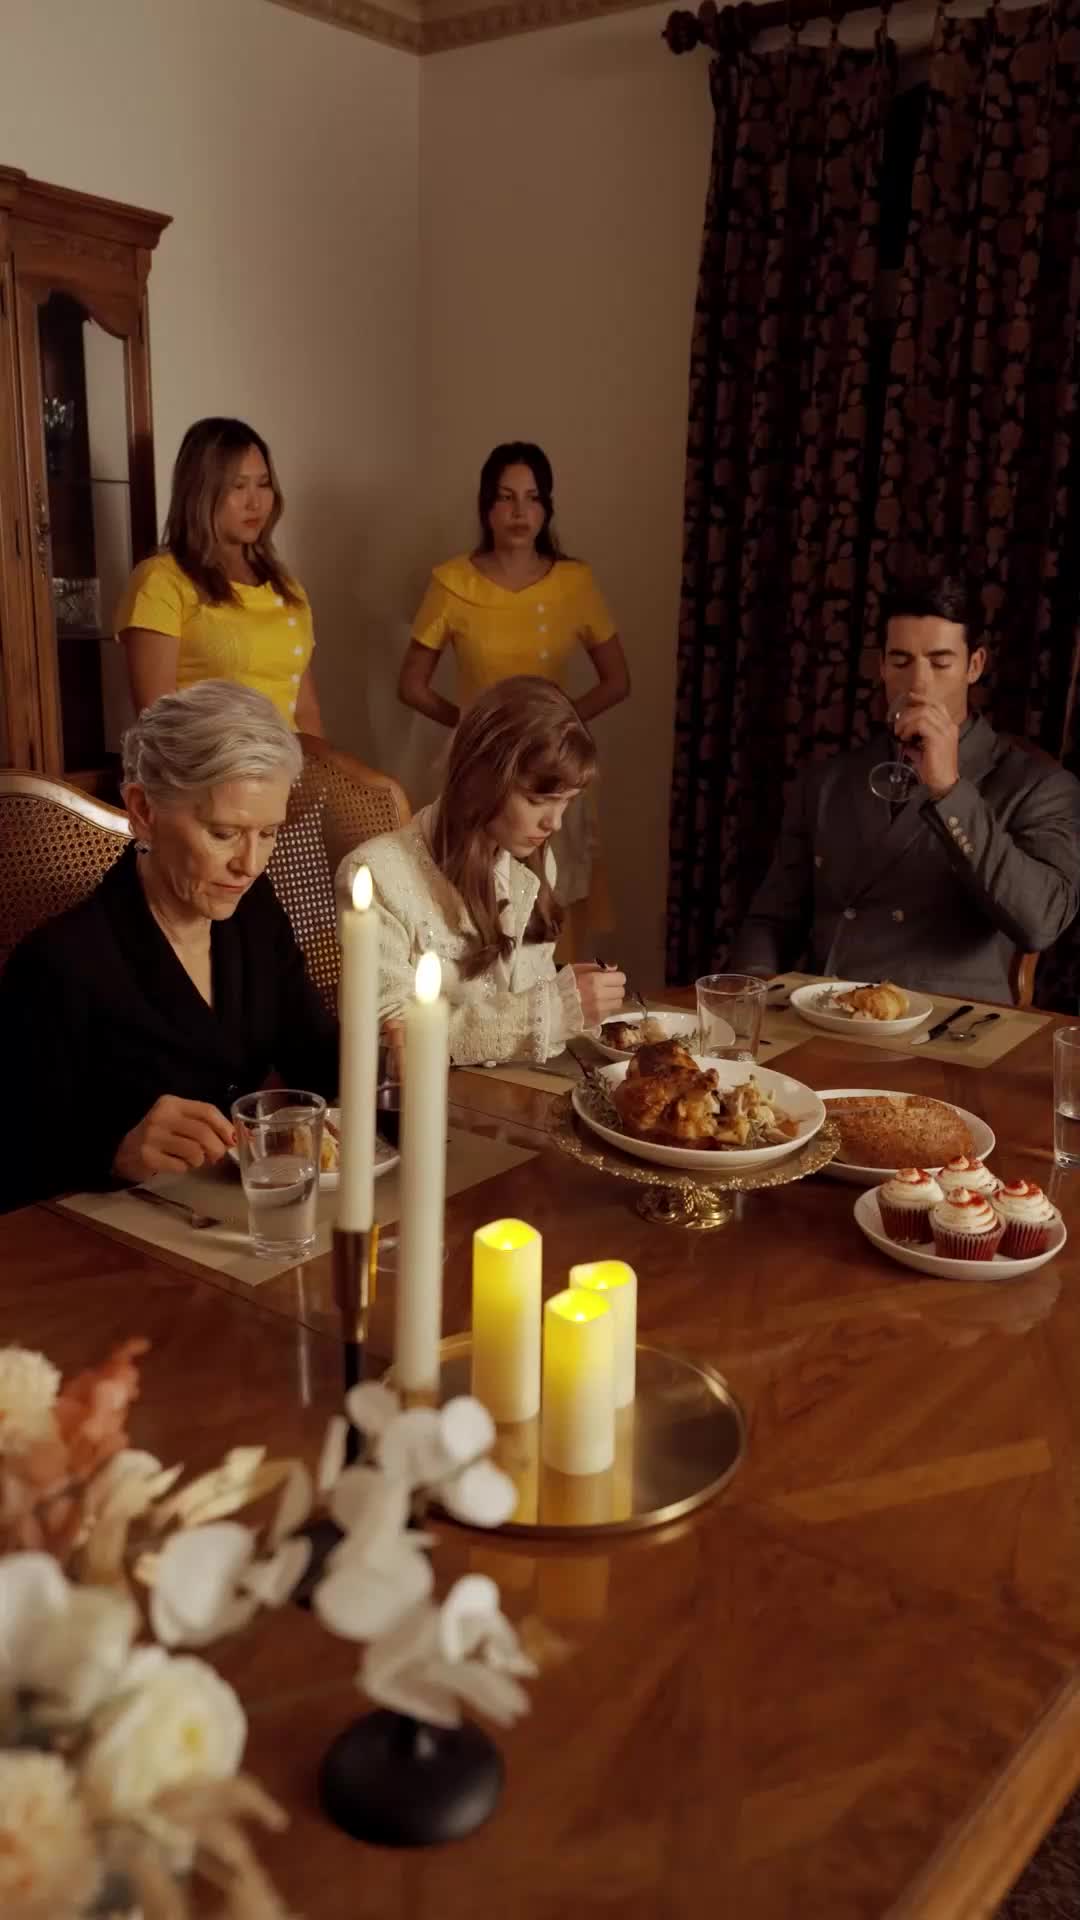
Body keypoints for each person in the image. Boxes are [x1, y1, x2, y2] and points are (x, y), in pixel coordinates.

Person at [0, 682, 337, 1213]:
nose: (250, 865)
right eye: (223, 833)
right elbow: (15, 1165)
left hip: (247, 1217)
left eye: (269, 833)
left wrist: (395, 1059)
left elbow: (318, 1058)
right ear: (143, 810)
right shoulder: (59, 966)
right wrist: (115, 1152)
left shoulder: (254, 911)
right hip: (113, 1241)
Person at [731, 573, 1080, 1002]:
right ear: (881, 666)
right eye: (900, 661)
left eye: (939, 662)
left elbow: (1040, 923)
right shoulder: (827, 782)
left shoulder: (1038, 785)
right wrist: (747, 998)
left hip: (953, 1027)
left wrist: (949, 790)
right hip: (828, 1014)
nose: (918, 684)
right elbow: (771, 921)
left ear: (974, 666)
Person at [398, 441, 630, 953]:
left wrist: (557, 725)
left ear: (547, 507)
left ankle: (558, 998)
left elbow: (617, 680)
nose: (520, 512)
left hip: (553, 769)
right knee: (470, 901)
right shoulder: (452, 581)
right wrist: (476, 727)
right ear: (487, 506)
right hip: (480, 766)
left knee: (553, 905)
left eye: (532, 497)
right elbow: (411, 684)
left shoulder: (574, 582)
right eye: (506, 497)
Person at [342, 676, 627, 1065]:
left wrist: (568, 993)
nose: (555, 823)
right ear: (481, 780)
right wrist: (551, 1009)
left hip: (517, 1086)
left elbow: (521, 999)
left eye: (567, 802)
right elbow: (394, 1039)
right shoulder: (377, 874)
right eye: (538, 800)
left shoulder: (533, 863)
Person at [115, 417, 322, 733]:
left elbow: (306, 711)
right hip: (210, 761)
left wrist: (325, 765)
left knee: (371, 771)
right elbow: (157, 723)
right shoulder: (161, 582)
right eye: (238, 486)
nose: (255, 502)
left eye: (263, 484)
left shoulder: (286, 588)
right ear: (200, 492)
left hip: (288, 759)